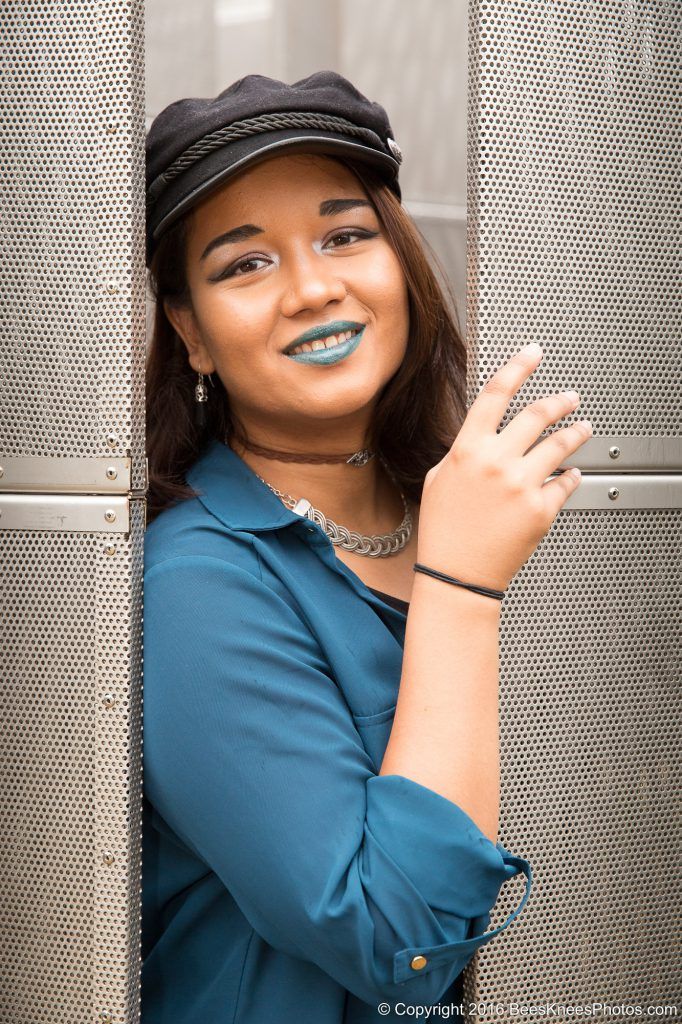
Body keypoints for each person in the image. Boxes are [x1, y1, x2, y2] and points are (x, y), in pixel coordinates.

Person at [141, 70, 589, 1022]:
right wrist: (461, 586)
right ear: (192, 333)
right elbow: (401, 944)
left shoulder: (477, 506)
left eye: (346, 236)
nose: (312, 288)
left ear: (402, 261)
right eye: (243, 264)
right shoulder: (197, 580)